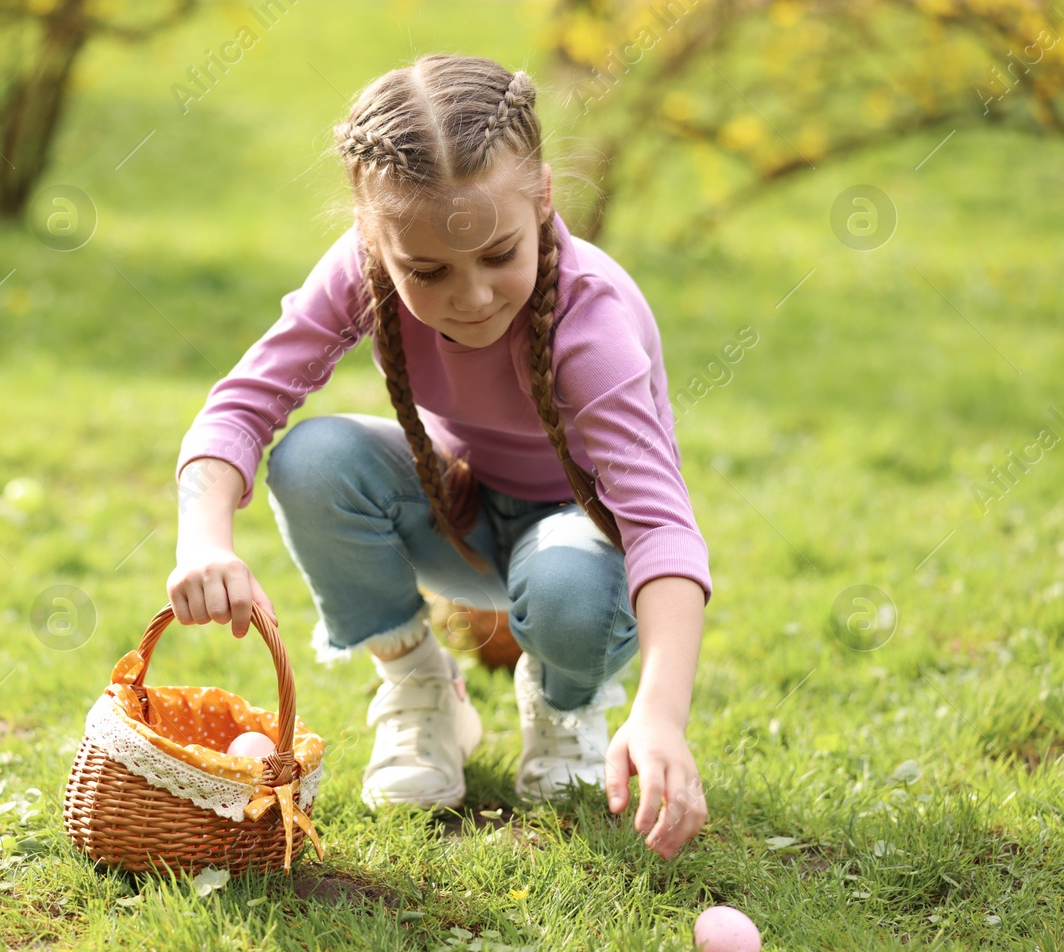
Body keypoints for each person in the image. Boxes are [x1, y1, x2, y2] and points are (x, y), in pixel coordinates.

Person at [167, 53, 711, 859]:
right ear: (372, 236)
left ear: (544, 198)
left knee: (563, 582)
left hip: (579, 554)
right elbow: (244, 402)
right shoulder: (363, 270)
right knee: (312, 457)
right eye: (428, 270)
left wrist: (661, 712)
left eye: (498, 254)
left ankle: (566, 704)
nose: (472, 295)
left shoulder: (590, 328)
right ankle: (422, 687)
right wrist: (204, 538)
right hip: (457, 510)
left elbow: (661, 526)